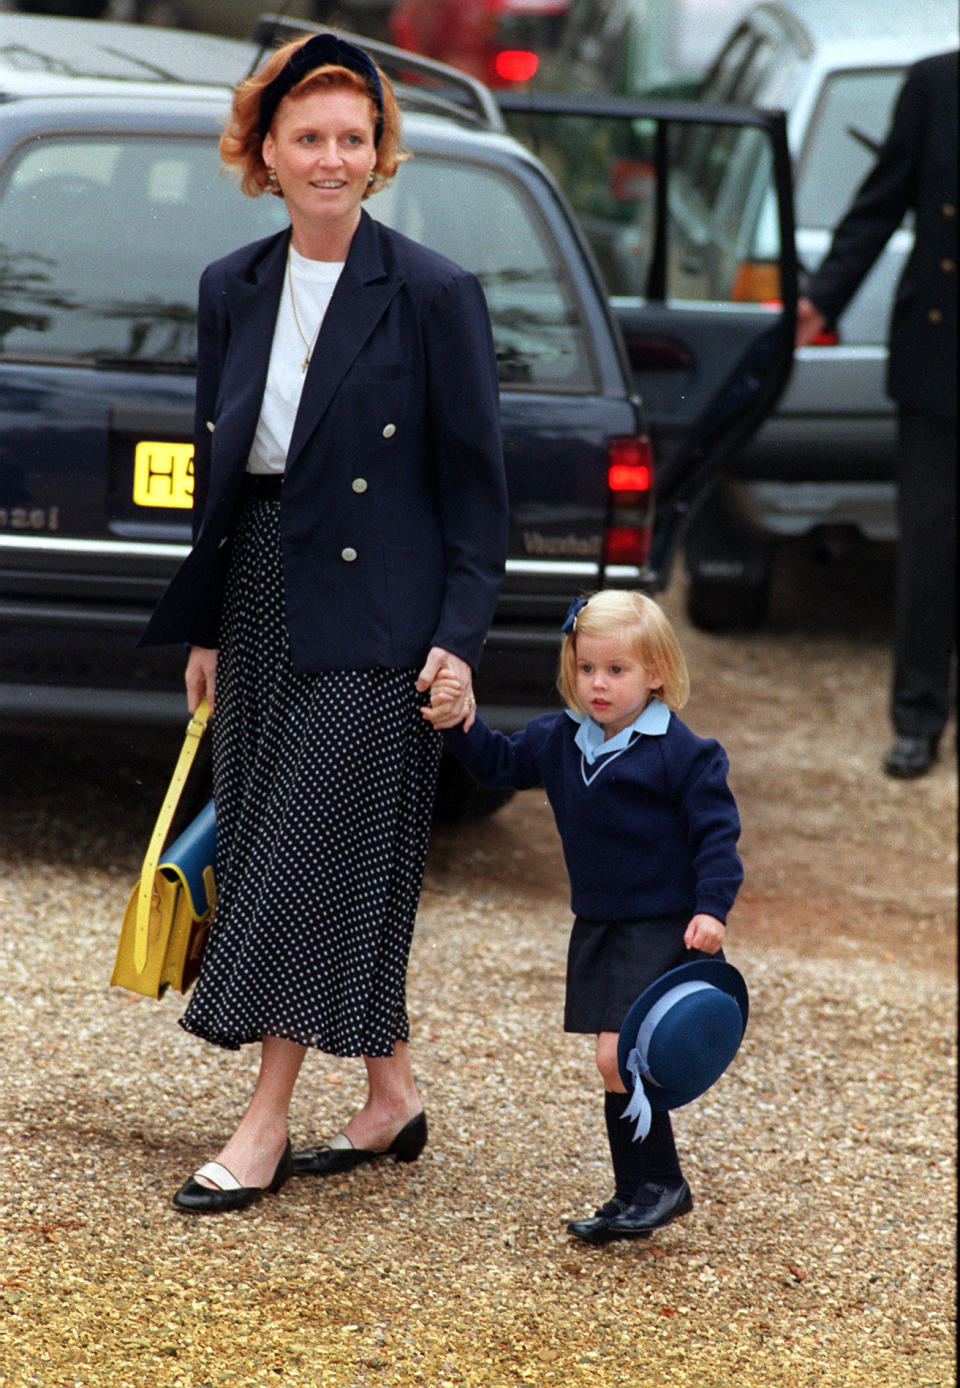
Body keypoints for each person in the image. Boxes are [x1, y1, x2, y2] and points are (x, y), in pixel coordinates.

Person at [139, 32, 508, 1213]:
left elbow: (476, 487)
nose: (333, 157)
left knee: (302, 851)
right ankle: (389, 1092)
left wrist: (459, 632)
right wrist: (204, 627)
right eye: (310, 136)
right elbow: (220, 472)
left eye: (355, 137)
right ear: (265, 150)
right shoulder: (231, 284)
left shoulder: (435, 291)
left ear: (379, 151)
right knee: (270, 838)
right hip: (257, 596)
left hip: (382, 613)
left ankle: (263, 1123)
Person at [424, 590, 743, 1242]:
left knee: (620, 1057)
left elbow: (717, 838)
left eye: (617, 671)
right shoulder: (559, 738)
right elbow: (496, 764)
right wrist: (459, 721)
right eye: (587, 668)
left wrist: (713, 909)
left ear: (655, 673)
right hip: (599, 923)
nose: (598, 684)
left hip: (662, 923)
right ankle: (640, 1191)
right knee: (615, 1061)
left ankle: (658, 1184)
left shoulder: (684, 754)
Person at [795, 50, 958, 779]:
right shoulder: (935, 84)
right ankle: (919, 719)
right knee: (930, 551)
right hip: (939, 354)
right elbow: (880, 201)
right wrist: (822, 297)